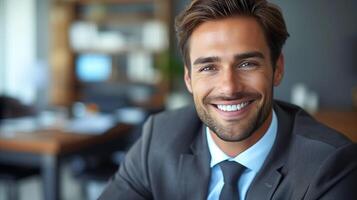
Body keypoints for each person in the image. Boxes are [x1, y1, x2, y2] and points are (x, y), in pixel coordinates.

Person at [99, 0, 357, 199]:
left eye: (246, 64)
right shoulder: (159, 138)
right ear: (189, 79)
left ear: (277, 68)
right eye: (208, 67)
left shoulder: (330, 166)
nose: (229, 87)